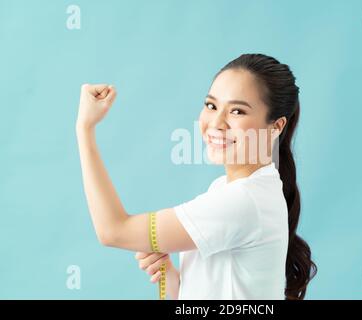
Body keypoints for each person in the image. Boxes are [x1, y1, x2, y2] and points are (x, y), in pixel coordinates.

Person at [75, 53, 316, 300]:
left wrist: (85, 129)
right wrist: (169, 275)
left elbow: (113, 230)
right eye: (211, 106)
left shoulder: (243, 200)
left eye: (237, 111)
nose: (216, 123)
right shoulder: (226, 188)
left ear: (275, 127)